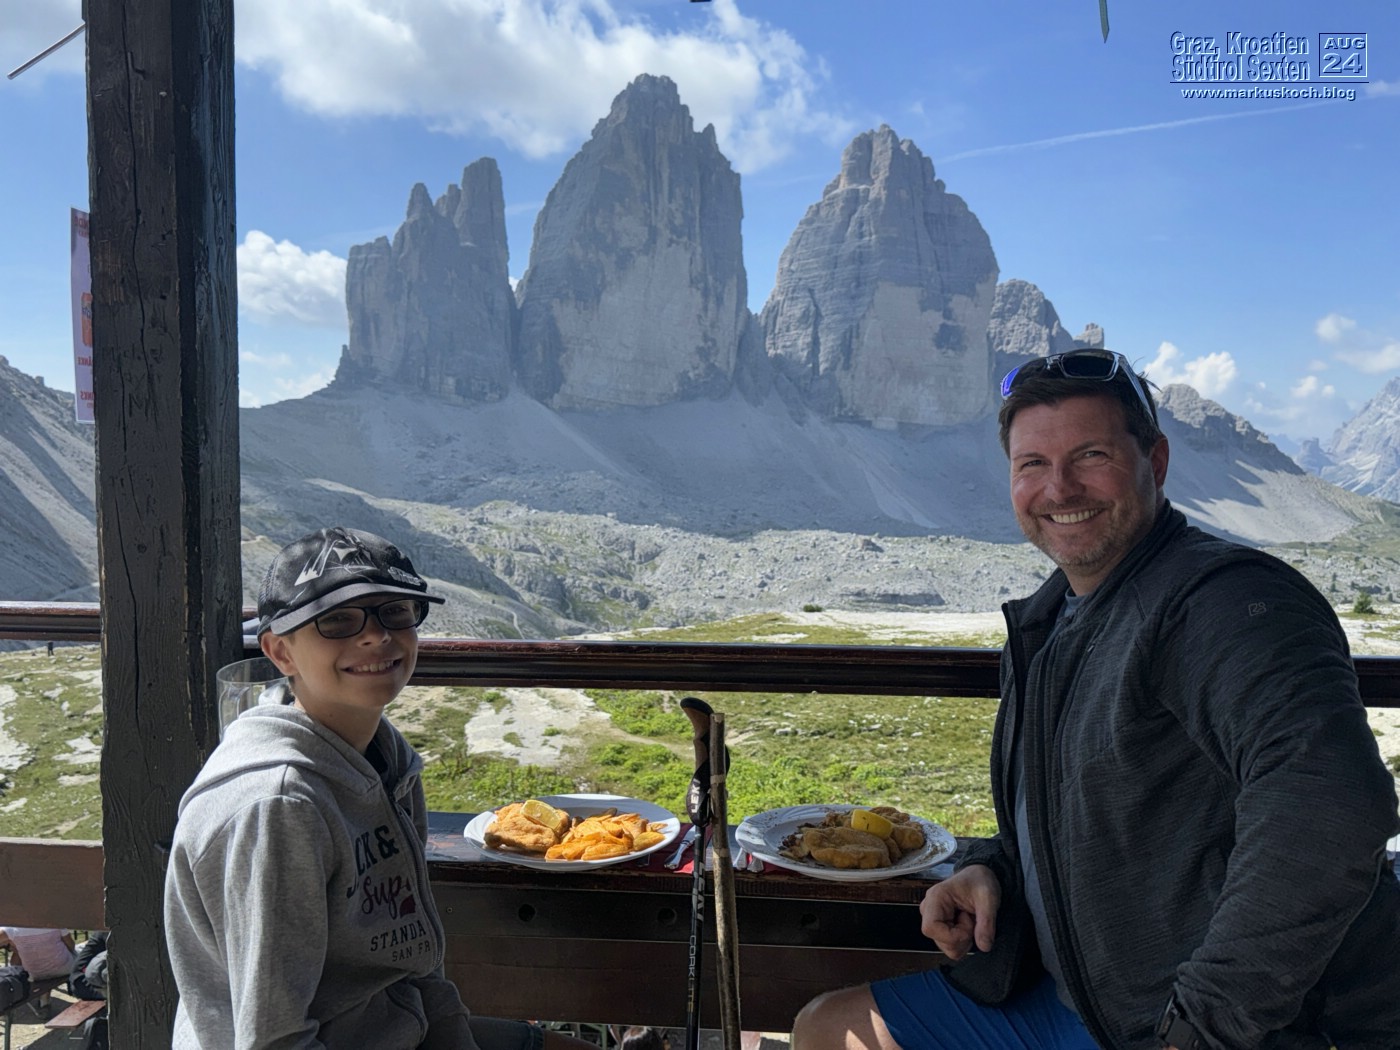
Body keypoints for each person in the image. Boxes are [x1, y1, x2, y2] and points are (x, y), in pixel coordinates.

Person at [791, 349, 1400, 1049]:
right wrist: (992, 868)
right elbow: (1078, 810)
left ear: (1156, 462)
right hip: (1081, 1002)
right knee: (828, 1030)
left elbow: (1331, 801)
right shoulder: (1054, 618)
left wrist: (1198, 1030)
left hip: (1216, 1026)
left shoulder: (1227, 601)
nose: (1060, 488)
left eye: (1091, 455)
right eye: (1033, 464)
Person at [163, 526, 596, 1050]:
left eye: (394, 612)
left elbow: (412, 965)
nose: (375, 636)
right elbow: (273, 1039)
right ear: (280, 652)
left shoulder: (385, 760)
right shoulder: (277, 806)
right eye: (337, 619)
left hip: (398, 1028)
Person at [0, 926, 76, 980]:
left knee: (19, 953)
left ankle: (44, 997)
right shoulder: (54, 921)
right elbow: (71, 945)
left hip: (34, 974)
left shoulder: (10, 928)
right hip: (64, 968)